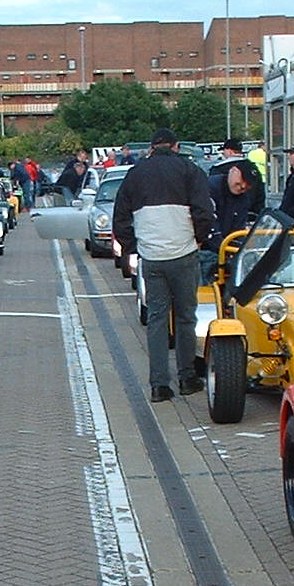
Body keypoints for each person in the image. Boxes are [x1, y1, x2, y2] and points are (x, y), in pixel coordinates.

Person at [112, 127, 215, 403]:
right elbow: (204, 212)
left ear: (151, 147)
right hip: (184, 254)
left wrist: (136, 247)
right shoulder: (189, 171)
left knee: (157, 319)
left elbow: (119, 219)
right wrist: (200, 238)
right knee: (185, 317)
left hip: (152, 257)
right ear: (176, 146)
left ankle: (159, 385)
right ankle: (187, 378)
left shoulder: (134, 175)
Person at [202, 137, 265, 282]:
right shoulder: (210, 187)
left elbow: (239, 230)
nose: (243, 187)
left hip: (226, 249)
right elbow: (208, 222)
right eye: (242, 181)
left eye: (247, 185)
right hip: (206, 250)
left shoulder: (243, 198)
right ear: (234, 171)